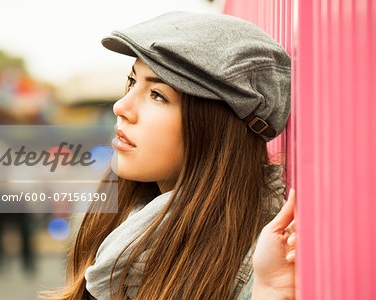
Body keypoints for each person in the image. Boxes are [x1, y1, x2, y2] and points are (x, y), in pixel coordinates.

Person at [46, 11, 296, 300]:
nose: (121, 106)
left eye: (157, 95)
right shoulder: (122, 222)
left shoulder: (257, 261)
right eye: (131, 82)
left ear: (215, 128)